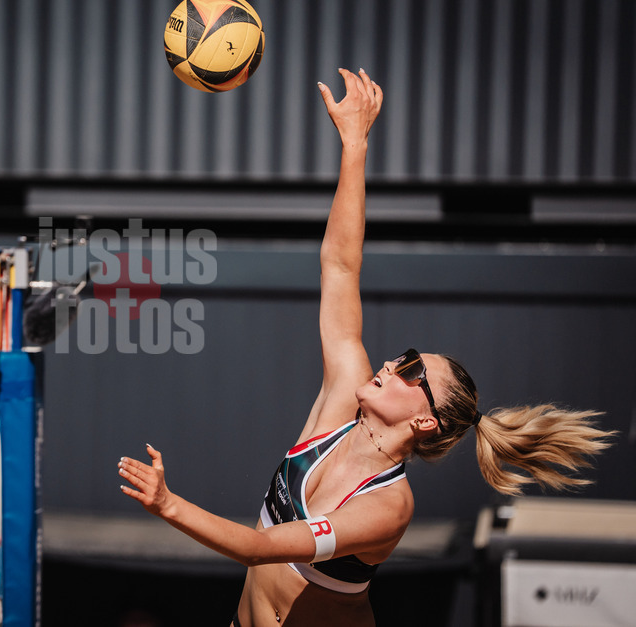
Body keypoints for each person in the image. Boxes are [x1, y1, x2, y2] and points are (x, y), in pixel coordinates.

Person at [117, 68, 615, 627]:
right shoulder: (340, 405)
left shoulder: (387, 507)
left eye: (409, 370)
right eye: (402, 355)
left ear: (426, 421)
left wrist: (167, 503)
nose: (389, 363)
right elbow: (339, 265)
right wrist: (354, 145)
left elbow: (256, 549)